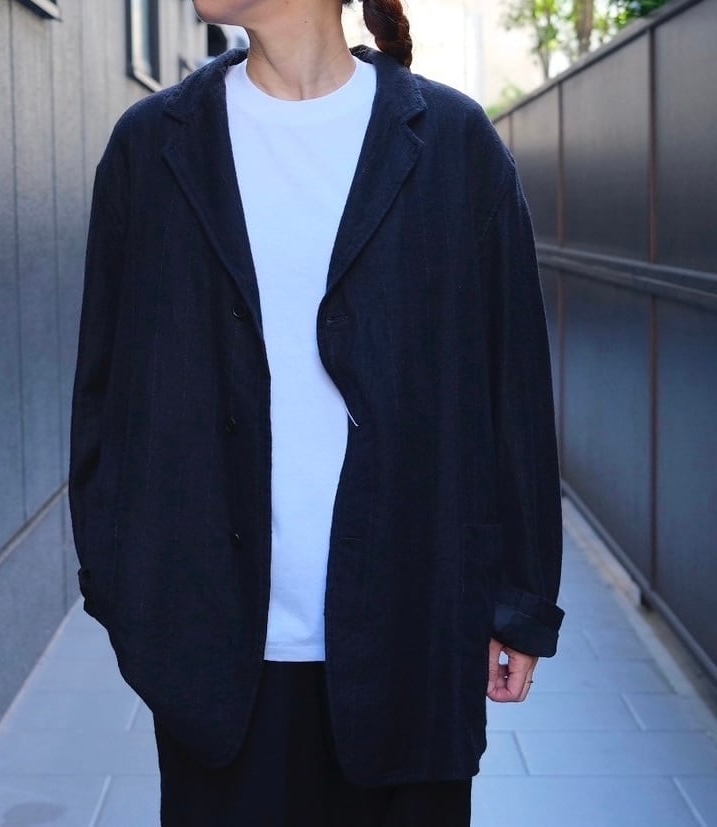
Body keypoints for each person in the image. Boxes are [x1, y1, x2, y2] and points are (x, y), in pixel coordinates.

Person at [68, 0, 565, 824]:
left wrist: (519, 602)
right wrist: (125, 589)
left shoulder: (452, 142)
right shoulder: (152, 144)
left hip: (413, 638)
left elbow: (511, 390)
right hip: (213, 660)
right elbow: (105, 389)